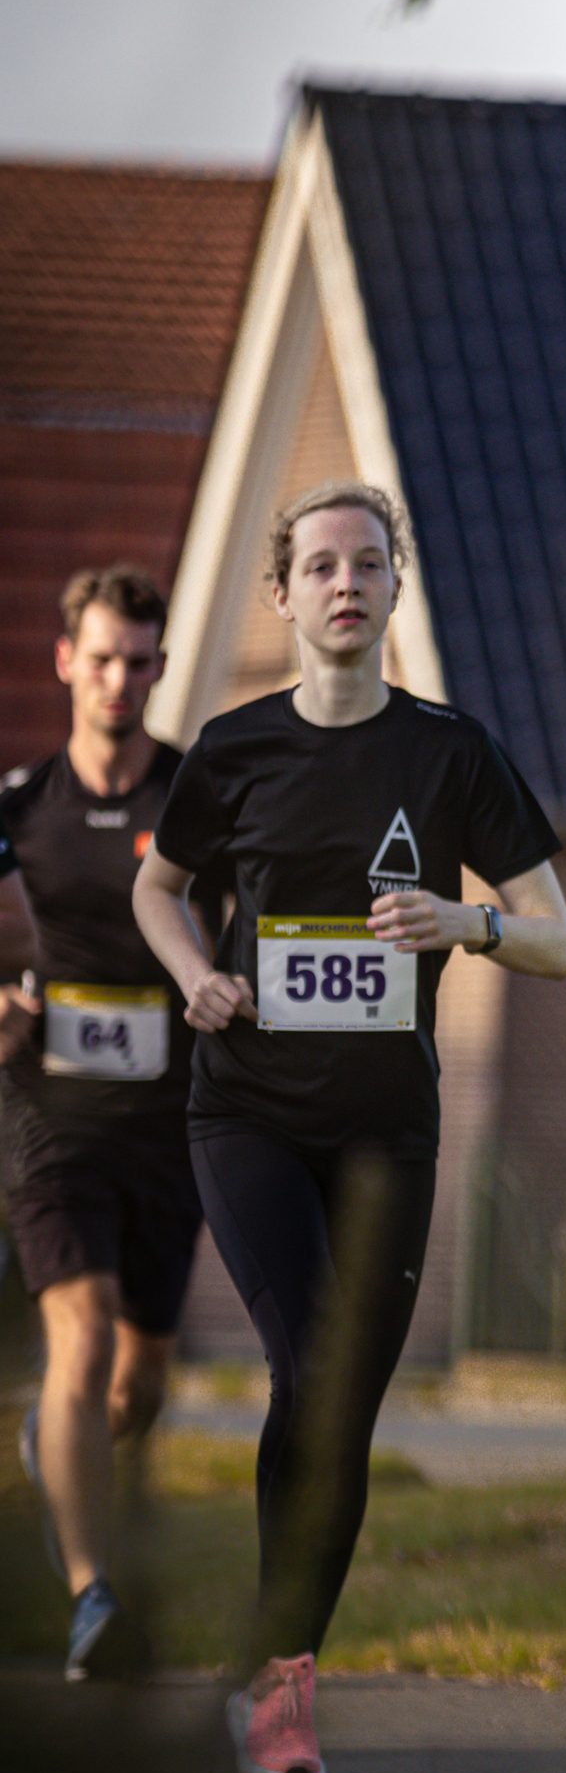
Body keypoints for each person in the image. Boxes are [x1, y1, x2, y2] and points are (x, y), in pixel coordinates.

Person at [133, 480, 566, 1773]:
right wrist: (193, 978)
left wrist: (467, 924)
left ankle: (282, 1659)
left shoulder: (450, 754)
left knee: (344, 1415)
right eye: (319, 566)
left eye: (367, 564)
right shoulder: (232, 748)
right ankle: (282, 1694)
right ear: (282, 595)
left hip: (389, 1126)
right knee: (311, 1364)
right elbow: (160, 888)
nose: (344, 585)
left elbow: (557, 936)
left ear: (395, 588)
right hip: (249, 1108)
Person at [1, 567, 202, 1680]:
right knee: (75, 1340)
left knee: (136, 1386)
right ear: (66, 662)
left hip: (169, 1121)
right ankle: (92, 1599)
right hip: (52, 1117)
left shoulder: (195, 797)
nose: (120, 678)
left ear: (159, 669)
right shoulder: (21, 804)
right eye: (102, 657)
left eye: (140, 660)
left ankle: (55, 1450)